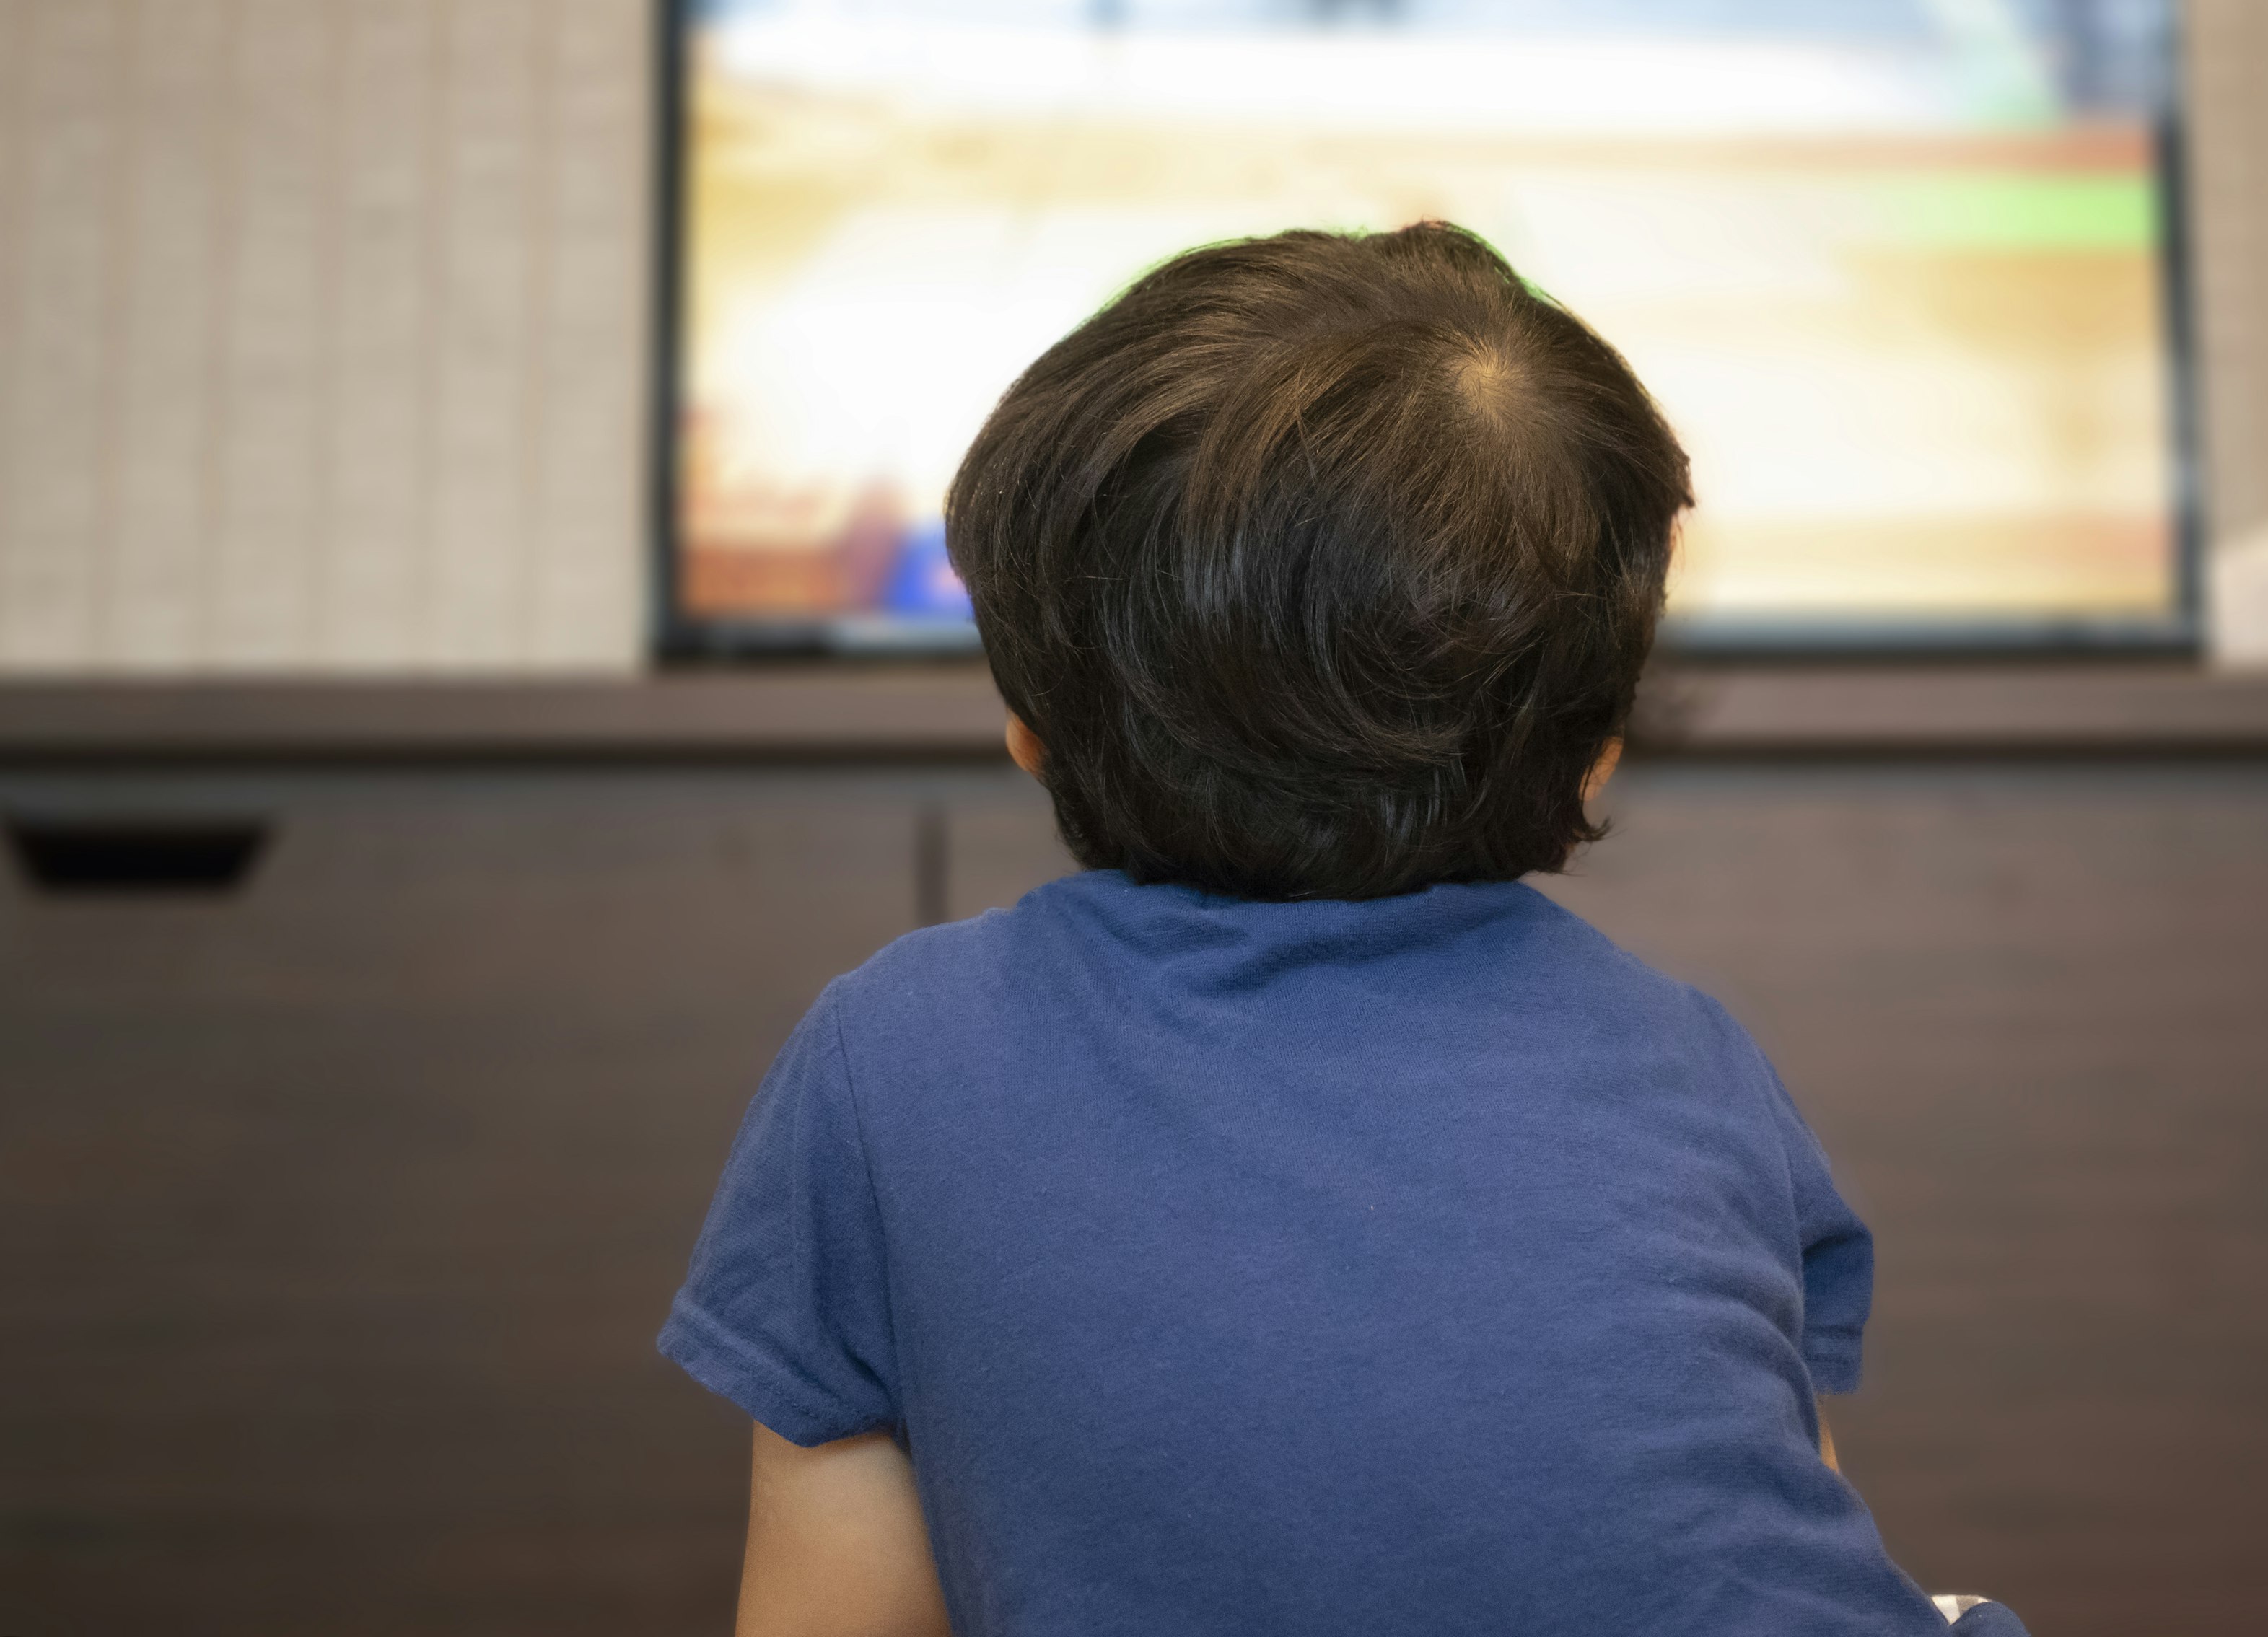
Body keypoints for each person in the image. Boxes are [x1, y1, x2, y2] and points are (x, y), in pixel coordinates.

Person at [659, 224, 2029, 1637]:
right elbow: (1733, 1518)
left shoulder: (892, 1057)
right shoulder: (1696, 1059)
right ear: (1598, 750)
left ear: (1028, 723)